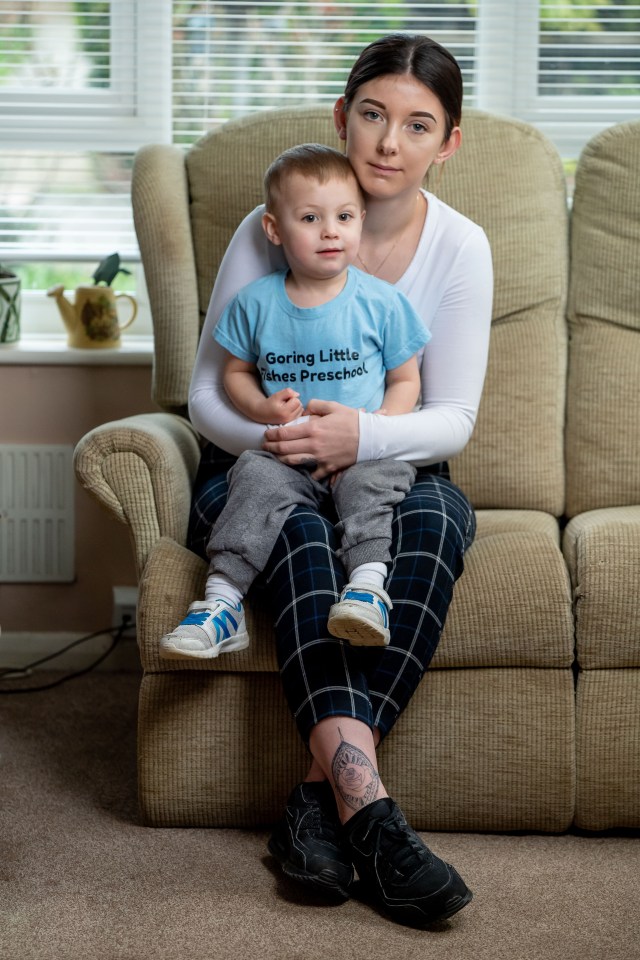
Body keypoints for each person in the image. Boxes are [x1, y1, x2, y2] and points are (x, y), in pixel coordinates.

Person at [187, 33, 493, 928]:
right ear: (342, 116)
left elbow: (455, 417)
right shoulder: (274, 221)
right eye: (372, 114)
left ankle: (319, 806)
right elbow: (209, 390)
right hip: (261, 460)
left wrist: (360, 435)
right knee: (303, 534)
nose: (388, 143)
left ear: (448, 143)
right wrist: (286, 435)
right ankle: (372, 815)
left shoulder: (460, 247)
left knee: (436, 523)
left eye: (417, 124)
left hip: (392, 459)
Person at [160, 144, 430, 660]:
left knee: (373, 488)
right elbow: (233, 374)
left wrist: (376, 429)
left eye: (344, 217)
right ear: (274, 229)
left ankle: (367, 591)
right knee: (253, 481)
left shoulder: (383, 303)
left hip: (362, 452)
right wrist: (261, 411)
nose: (331, 230)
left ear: (361, 222)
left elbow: (406, 380)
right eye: (311, 218)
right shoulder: (255, 303)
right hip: (286, 457)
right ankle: (221, 605)